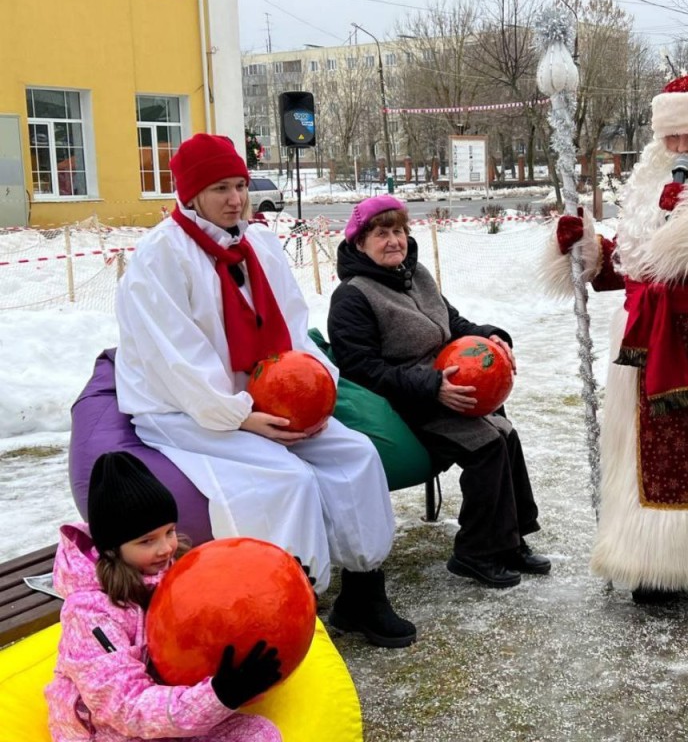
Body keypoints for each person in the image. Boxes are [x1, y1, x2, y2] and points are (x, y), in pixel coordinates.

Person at [114, 133, 415, 648]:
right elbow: (175, 357)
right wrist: (240, 416)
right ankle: (293, 610)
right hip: (186, 408)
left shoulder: (259, 244)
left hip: (265, 398)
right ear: (190, 195)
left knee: (357, 455)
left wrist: (313, 394)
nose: (235, 199)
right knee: (287, 480)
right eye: (220, 189)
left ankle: (363, 594)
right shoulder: (160, 259)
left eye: (240, 185)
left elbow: (294, 328)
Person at [545, 73, 688, 619]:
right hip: (643, 340)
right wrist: (587, 249)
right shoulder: (647, 182)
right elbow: (632, 269)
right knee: (651, 458)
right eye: (672, 137)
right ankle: (664, 561)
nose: (681, 148)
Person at [327, 195, 548, 589]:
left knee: (506, 435)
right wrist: (432, 387)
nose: (394, 240)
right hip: (405, 404)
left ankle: (511, 539)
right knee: (487, 446)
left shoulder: (417, 274)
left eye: (398, 231)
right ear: (359, 242)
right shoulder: (353, 296)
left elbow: (453, 323)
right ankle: (475, 553)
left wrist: (490, 335)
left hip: (451, 387)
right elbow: (361, 368)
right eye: (381, 233)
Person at [46, 451, 283, 741]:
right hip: (109, 726)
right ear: (112, 547)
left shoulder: (170, 568)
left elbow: (225, 601)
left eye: (169, 531)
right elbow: (124, 707)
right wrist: (218, 695)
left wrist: (279, 589)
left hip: (167, 694)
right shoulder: (90, 614)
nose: (166, 548)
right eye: (147, 541)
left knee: (259, 734)